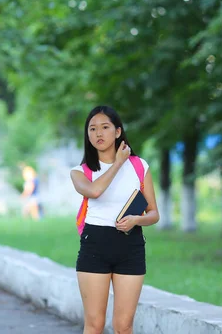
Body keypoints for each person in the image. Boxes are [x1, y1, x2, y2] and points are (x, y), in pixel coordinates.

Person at [70, 106, 160, 334]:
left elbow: (153, 213)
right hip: (95, 246)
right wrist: (118, 163)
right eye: (92, 129)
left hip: (130, 246)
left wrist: (135, 221)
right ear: (87, 135)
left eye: (105, 127)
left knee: (124, 326)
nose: (98, 133)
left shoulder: (140, 166)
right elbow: (95, 191)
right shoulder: (80, 172)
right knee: (94, 325)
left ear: (118, 132)